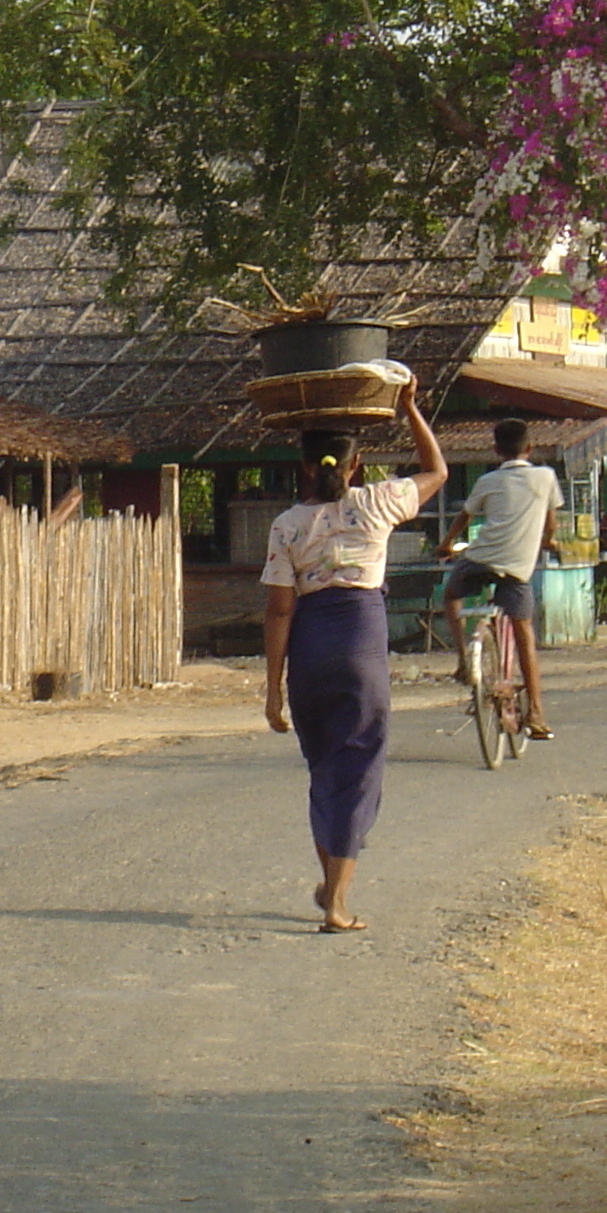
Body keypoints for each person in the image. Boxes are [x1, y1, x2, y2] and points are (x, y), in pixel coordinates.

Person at [260, 381, 448, 934]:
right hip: (361, 646)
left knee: (325, 770)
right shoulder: (376, 503)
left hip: (310, 650)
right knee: (359, 768)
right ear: (357, 464)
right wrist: (410, 407)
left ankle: (330, 886)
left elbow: (278, 613)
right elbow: (436, 470)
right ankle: (338, 902)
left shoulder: (287, 525)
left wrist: (272, 689)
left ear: (301, 466)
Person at [438, 418, 563, 737]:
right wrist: (548, 540)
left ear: (496, 450)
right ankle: (536, 712)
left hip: (478, 559)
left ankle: (465, 659)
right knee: (524, 634)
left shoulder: (488, 481)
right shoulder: (546, 477)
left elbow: (465, 516)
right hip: (516, 570)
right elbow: (550, 525)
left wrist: (446, 544)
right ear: (530, 448)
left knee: (451, 595)